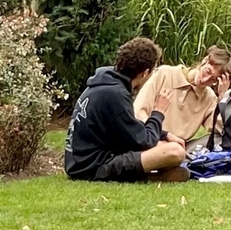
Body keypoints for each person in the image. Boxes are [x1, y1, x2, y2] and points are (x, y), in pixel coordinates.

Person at [64, 37, 192, 183]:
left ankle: (156, 174)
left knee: (165, 146)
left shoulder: (106, 84)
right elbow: (145, 141)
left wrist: (164, 134)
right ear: (145, 73)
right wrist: (158, 112)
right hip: (92, 167)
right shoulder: (115, 93)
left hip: (83, 161)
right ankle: (152, 177)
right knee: (175, 152)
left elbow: (128, 127)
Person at [133, 44, 231, 146]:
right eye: (207, 72)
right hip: (148, 139)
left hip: (178, 149)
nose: (205, 80)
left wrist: (223, 97)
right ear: (205, 61)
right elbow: (138, 112)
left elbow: (221, 129)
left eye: (213, 80)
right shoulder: (165, 74)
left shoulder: (209, 98)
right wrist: (162, 136)